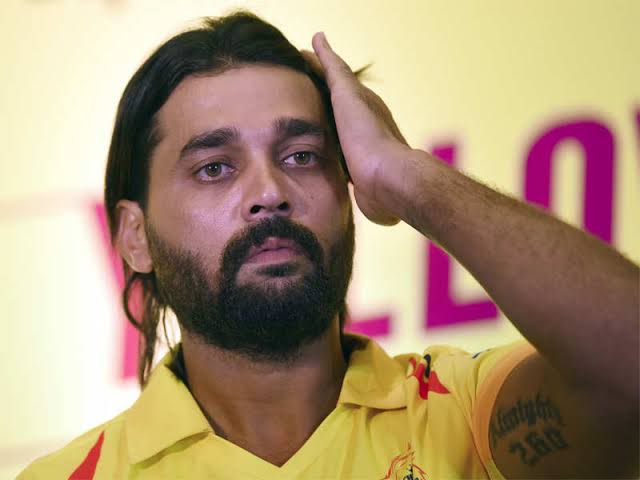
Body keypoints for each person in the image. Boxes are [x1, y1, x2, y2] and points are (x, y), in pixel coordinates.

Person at [19, 11, 638, 480]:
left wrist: (406, 175)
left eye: (301, 156)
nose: (270, 193)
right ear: (135, 237)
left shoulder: (460, 412)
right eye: (215, 167)